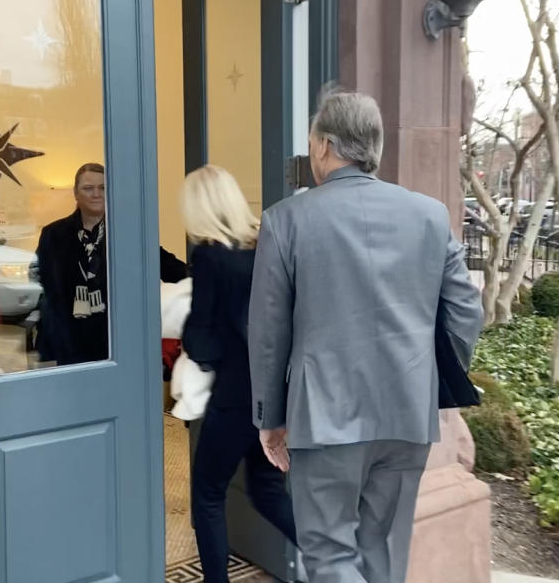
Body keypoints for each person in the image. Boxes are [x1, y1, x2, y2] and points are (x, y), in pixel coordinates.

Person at [248, 89, 484, 583]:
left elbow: (269, 333)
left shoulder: (285, 219)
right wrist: (430, 381)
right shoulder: (428, 214)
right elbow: (466, 310)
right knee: (385, 553)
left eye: (313, 141)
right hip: (406, 412)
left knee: (331, 555)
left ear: (324, 146)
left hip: (325, 416)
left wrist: (271, 418)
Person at [180, 165, 298, 582]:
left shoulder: (210, 255)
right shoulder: (267, 242)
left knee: (208, 493)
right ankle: (340, 556)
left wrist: (189, 344)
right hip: (275, 392)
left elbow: (203, 333)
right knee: (267, 491)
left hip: (234, 395)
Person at [36, 163, 109, 365]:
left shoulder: (127, 232)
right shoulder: (53, 234)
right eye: (88, 188)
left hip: (112, 343)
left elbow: (164, 263)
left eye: (103, 187)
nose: (96, 194)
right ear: (75, 193)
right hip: (65, 342)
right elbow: (43, 282)